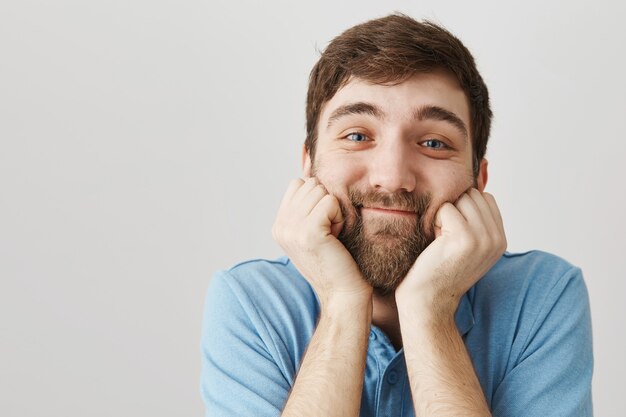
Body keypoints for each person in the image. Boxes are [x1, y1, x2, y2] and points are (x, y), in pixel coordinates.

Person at [200, 13, 593, 417]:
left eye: (434, 143)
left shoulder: (543, 296)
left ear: (479, 179)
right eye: (357, 136)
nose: (391, 178)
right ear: (308, 163)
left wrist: (430, 310)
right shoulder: (251, 303)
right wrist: (342, 304)